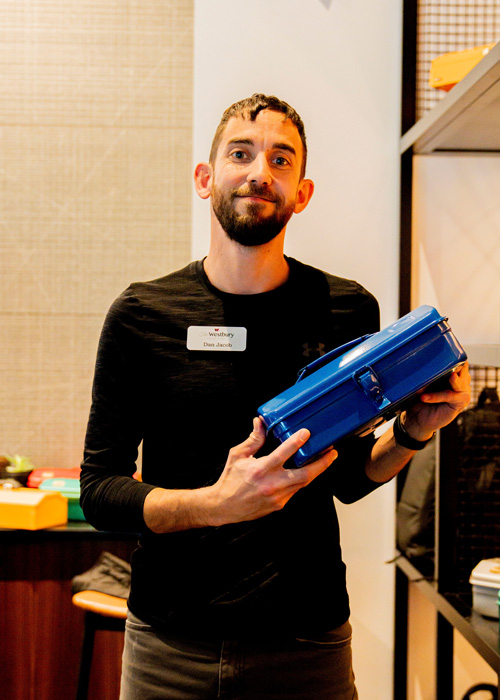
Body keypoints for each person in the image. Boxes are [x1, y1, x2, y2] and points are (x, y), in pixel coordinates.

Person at [80, 93, 471, 700]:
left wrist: (415, 431)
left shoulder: (345, 310)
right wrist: (217, 503)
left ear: (302, 193)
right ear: (206, 178)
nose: (260, 171)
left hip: (306, 646)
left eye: (281, 160)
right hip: (169, 646)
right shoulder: (142, 314)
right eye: (241, 153)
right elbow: (100, 491)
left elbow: (345, 477)